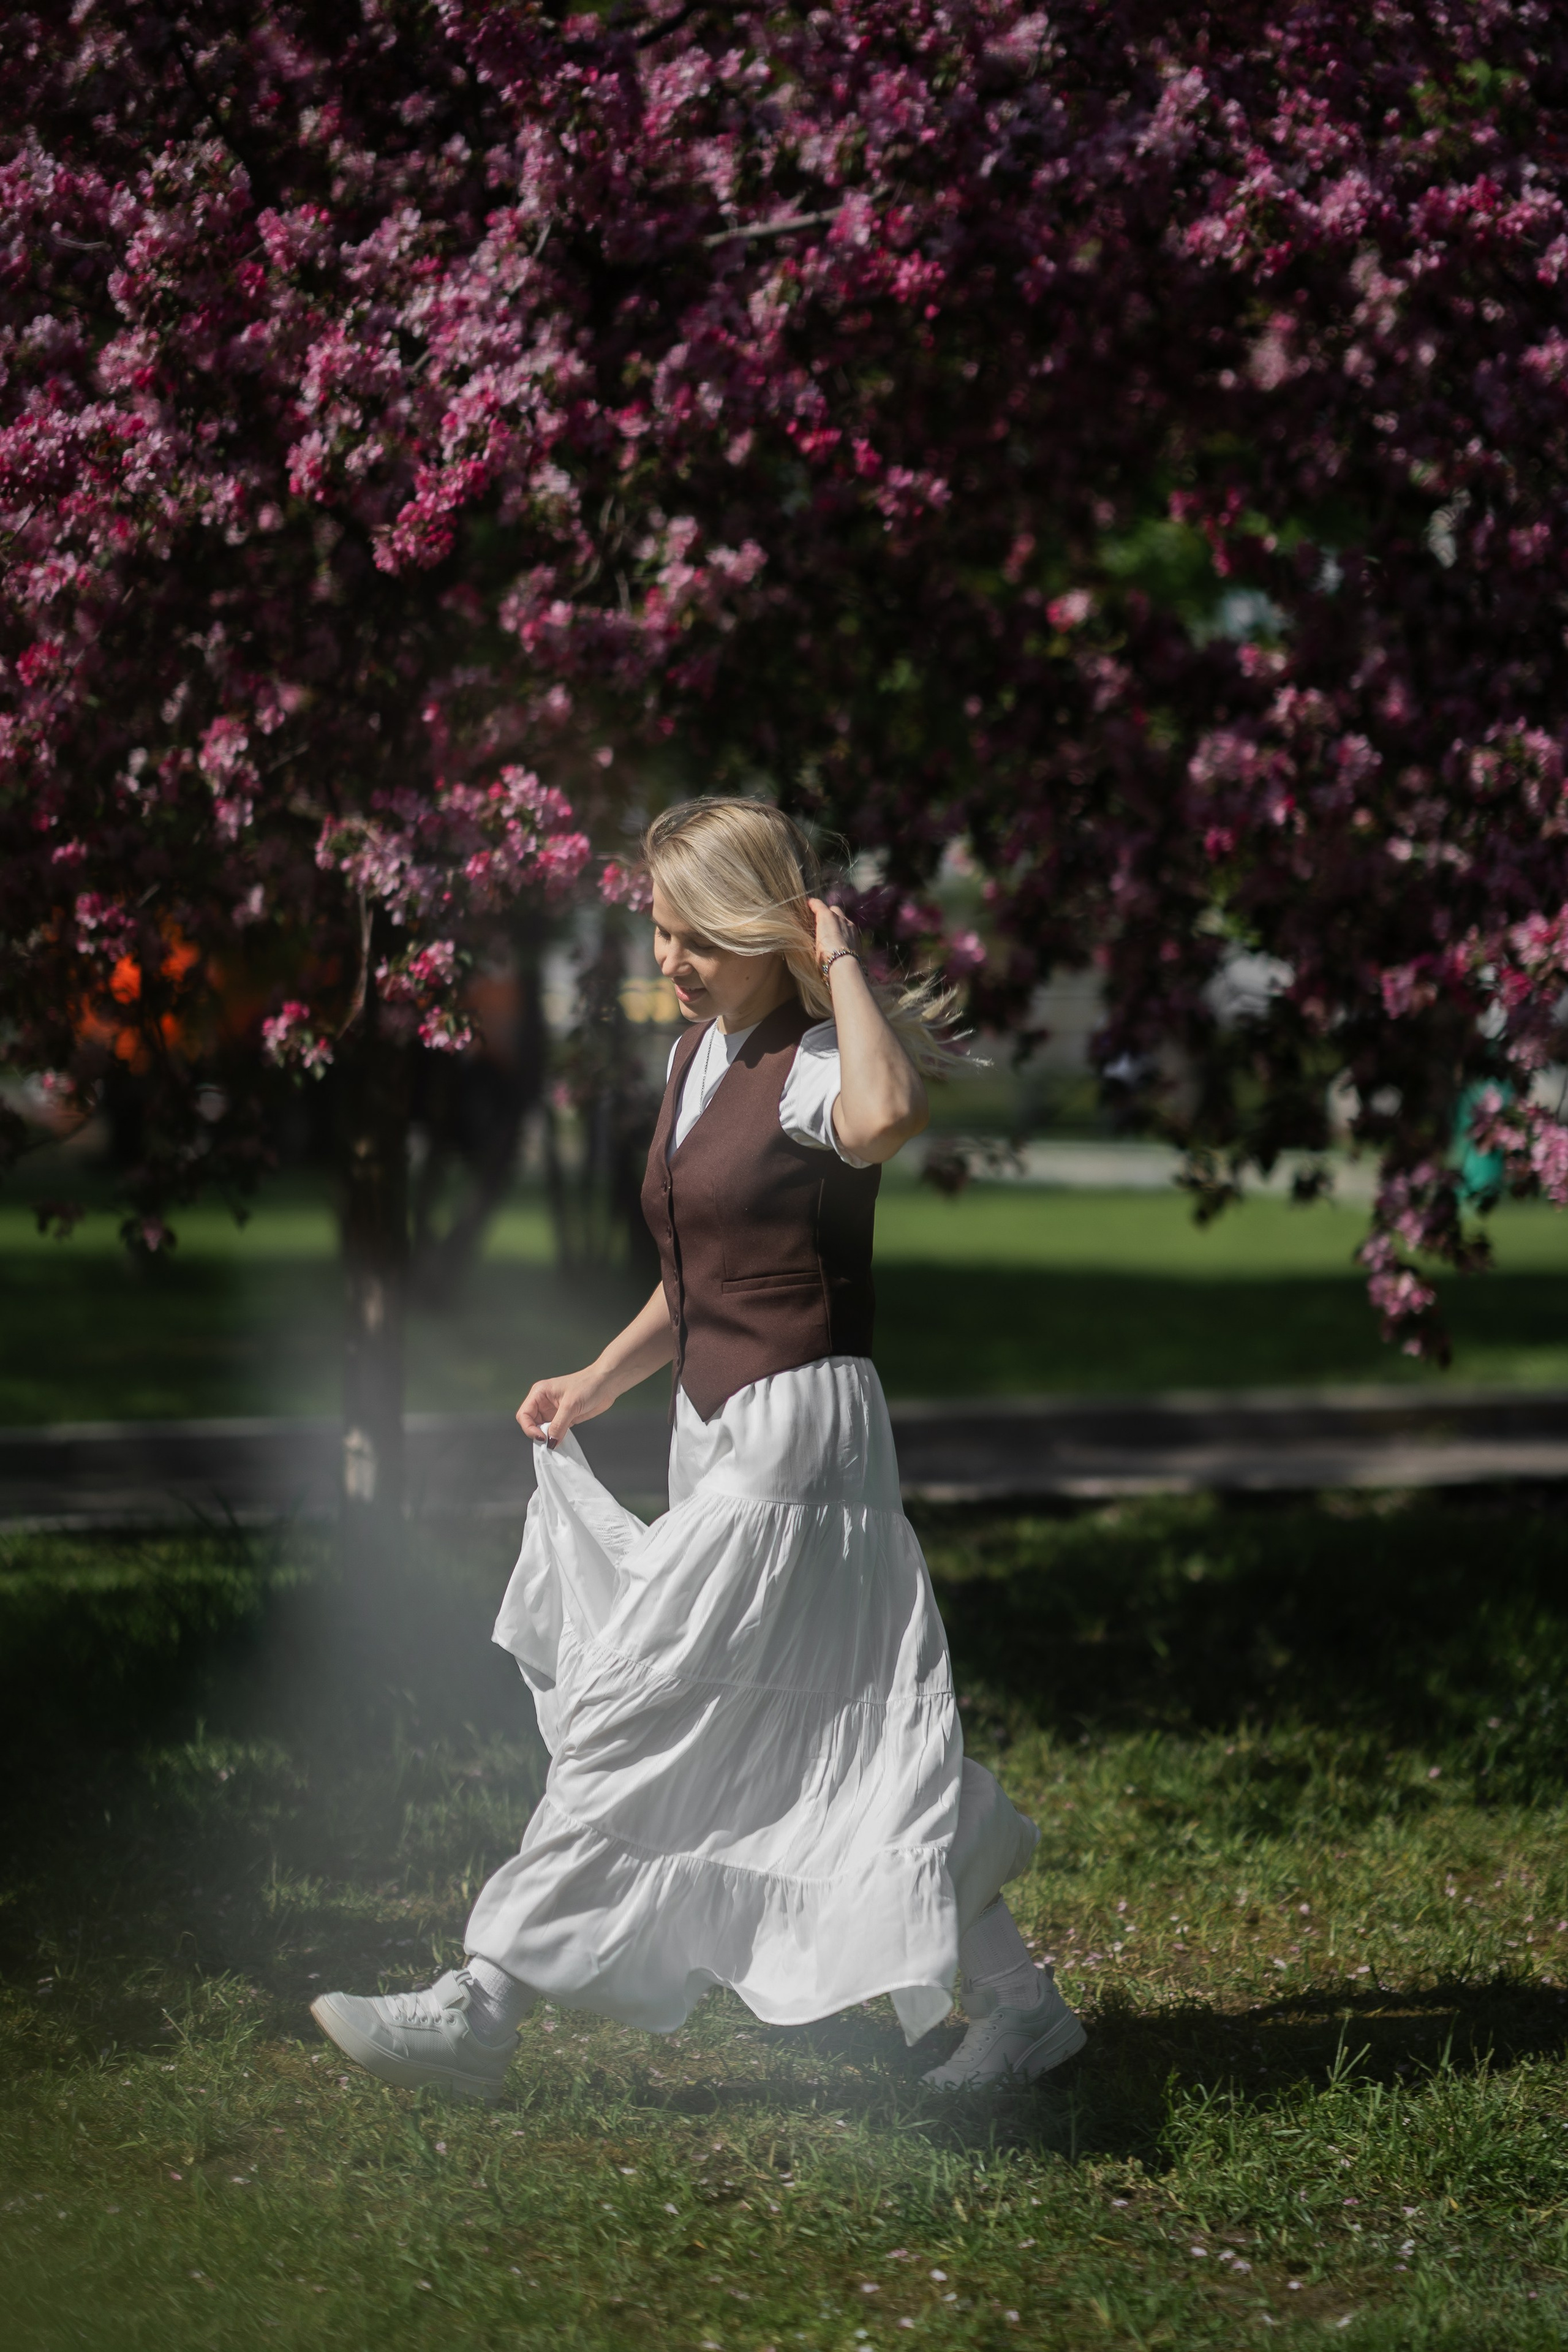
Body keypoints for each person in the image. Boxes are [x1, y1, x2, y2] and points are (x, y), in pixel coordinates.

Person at [311, 799, 1085, 2101]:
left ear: (763, 929)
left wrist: (836, 957)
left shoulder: (816, 1061)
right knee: (839, 1741)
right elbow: (700, 1276)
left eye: (696, 938)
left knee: (642, 1706)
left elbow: (887, 1117)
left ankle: (481, 2008)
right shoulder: (699, 1058)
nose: (668, 960)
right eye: (658, 933)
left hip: (801, 1443)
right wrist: (597, 1379)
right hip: (715, 1431)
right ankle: (1022, 2006)